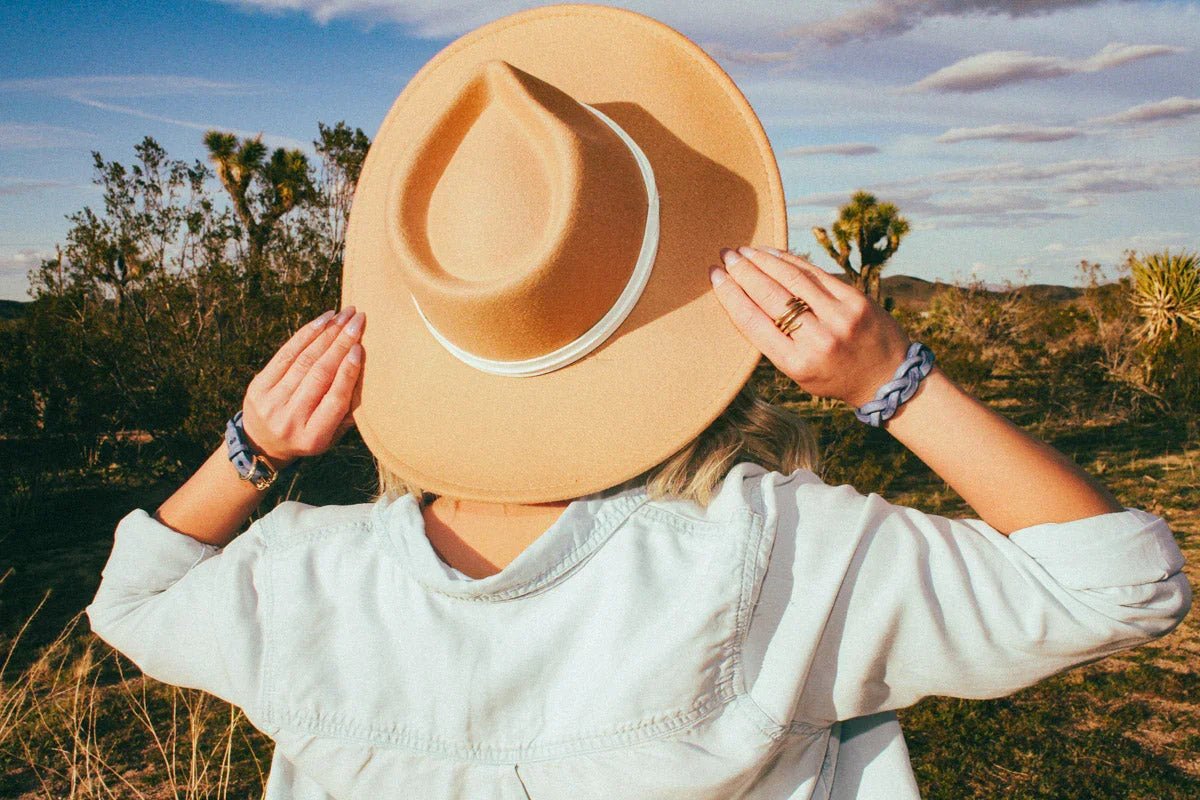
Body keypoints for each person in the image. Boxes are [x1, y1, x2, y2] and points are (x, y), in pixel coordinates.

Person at [86, 6, 1190, 799]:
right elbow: (1120, 584)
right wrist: (890, 376)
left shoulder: (301, 578)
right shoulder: (776, 554)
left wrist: (252, 448)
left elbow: (131, 603)